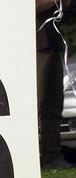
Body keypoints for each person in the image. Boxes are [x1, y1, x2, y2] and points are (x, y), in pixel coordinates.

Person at [36, 0, 74, 168]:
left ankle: (52, 154)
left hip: (51, 41)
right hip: (34, 43)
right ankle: (41, 155)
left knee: (54, 102)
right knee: (40, 101)